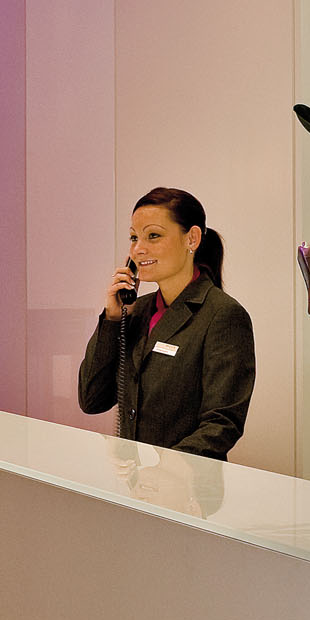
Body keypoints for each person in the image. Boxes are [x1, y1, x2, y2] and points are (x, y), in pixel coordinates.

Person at [77, 187, 255, 460]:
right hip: (134, 485)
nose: (138, 249)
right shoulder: (136, 312)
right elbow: (92, 400)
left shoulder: (223, 315)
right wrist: (112, 318)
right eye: (134, 237)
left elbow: (223, 423)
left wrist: (166, 472)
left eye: (153, 236)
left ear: (192, 239)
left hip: (188, 489)